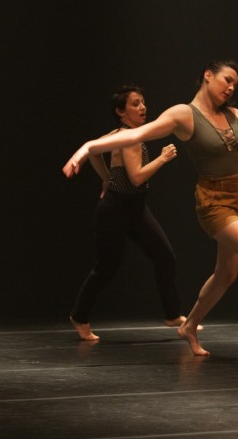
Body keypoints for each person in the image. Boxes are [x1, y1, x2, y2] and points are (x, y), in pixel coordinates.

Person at [63, 61, 238, 360]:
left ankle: (189, 326)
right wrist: (88, 147)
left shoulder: (234, 115)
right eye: (226, 79)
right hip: (215, 202)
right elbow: (136, 135)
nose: (231, 87)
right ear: (208, 75)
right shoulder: (184, 114)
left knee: (226, 274)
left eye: (235, 83)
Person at [70, 85, 186, 341]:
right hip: (115, 210)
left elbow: (93, 150)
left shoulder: (121, 135)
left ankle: (172, 314)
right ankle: (79, 316)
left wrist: (106, 178)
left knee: (165, 257)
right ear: (121, 112)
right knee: (105, 269)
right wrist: (163, 158)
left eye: (143, 102)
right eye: (135, 104)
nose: (143, 107)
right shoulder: (128, 138)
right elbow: (136, 178)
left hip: (136, 208)